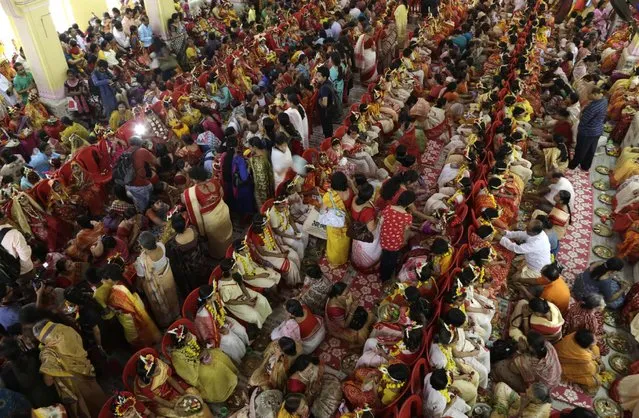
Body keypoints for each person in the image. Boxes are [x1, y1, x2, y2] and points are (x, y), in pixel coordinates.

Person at [32, 320, 108, 418]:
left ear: (39, 337)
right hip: (88, 372)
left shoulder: (48, 353)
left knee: (87, 410)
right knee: (99, 400)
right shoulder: (67, 329)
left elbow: (48, 381)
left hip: (74, 386)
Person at [167, 324, 238, 403]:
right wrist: (198, 359)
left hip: (201, 357)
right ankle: (224, 393)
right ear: (181, 342)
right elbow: (191, 378)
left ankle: (232, 381)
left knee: (219, 355)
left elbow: (198, 347)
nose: (190, 336)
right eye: (187, 336)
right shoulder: (177, 357)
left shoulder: (190, 338)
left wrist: (204, 351)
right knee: (213, 372)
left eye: (188, 334)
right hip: (196, 371)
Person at [182, 165, 233, 258]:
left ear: (195, 179)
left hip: (211, 220)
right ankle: (230, 250)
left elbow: (195, 212)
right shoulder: (215, 181)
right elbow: (222, 195)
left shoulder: (192, 192)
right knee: (226, 234)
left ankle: (220, 256)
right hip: (223, 212)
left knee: (216, 241)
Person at [134, 231, 180, 328]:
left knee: (161, 304)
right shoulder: (161, 246)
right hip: (167, 278)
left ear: (143, 246)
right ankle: (176, 314)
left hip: (156, 285)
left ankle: (167, 322)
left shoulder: (142, 261)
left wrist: (138, 287)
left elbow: (141, 277)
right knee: (172, 296)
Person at [194, 283, 249, 365]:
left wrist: (224, 321)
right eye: (213, 294)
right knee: (229, 340)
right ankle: (238, 360)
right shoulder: (203, 314)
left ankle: (246, 347)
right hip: (214, 334)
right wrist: (222, 330)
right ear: (208, 300)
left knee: (240, 329)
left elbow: (221, 313)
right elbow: (209, 331)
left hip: (221, 321)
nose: (216, 294)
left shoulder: (214, 301)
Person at [492, 331, 562, 393]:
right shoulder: (548, 346)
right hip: (553, 381)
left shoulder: (528, 362)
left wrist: (520, 350)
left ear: (531, 347)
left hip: (536, 390)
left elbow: (512, 367)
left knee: (499, 366)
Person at [218, 258, 272, 328]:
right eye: (235, 266)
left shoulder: (235, 274)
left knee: (262, 299)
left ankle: (263, 318)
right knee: (254, 315)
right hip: (234, 302)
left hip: (241, 292)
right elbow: (228, 301)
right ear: (230, 271)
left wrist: (248, 296)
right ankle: (258, 325)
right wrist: (246, 302)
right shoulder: (223, 287)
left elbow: (241, 284)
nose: (237, 267)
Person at [569, 88, 608, 171]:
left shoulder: (593, 107)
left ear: (594, 94)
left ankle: (572, 165)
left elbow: (583, 120)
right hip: (597, 130)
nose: (587, 96)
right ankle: (585, 166)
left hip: (587, 132)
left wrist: (582, 112)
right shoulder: (604, 100)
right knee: (590, 150)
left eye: (588, 94)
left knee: (581, 150)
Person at [325, 282, 375, 347]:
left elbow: (354, 299)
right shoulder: (335, 310)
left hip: (346, 315)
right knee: (362, 337)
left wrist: (354, 301)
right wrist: (352, 311)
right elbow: (344, 325)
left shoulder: (341, 298)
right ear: (337, 296)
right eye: (346, 294)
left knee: (371, 315)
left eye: (348, 292)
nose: (348, 295)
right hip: (339, 327)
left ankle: (365, 327)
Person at [380, 190, 415, 282]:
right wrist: (404, 240)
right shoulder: (407, 217)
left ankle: (382, 273)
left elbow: (381, 221)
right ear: (409, 203)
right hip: (395, 241)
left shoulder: (388, 208)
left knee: (385, 255)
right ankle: (386, 276)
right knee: (392, 258)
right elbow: (406, 230)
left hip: (384, 237)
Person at [554, 329, 601, 394]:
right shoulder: (584, 357)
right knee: (594, 381)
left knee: (595, 349)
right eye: (594, 340)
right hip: (561, 365)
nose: (596, 340)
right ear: (586, 346)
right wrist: (596, 368)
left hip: (570, 357)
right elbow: (590, 369)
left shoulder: (574, 335)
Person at [322, 172, 352, 267]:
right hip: (346, 221)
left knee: (335, 242)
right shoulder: (350, 191)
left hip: (335, 223)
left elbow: (323, 210)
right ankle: (343, 258)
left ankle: (335, 260)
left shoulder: (329, 196)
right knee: (345, 241)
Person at [350, 183, 382, 270]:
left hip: (356, 229)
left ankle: (356, 259)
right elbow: (371, 228)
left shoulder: (355, 198)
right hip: (364, 234)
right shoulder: (368, 211)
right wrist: (378, 218)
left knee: (356, 247)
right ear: (370, 196)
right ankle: (365, 263)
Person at [315, 66, 336, 138]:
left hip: (325, 113)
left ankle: (328, 143)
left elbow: (324, 104)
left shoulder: (324, 88)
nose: (316, 77)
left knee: (327, 131)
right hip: (330, 111)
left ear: (324, 77)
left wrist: (319, 100)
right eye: (316, 75)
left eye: (319, 76)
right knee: (329, 128)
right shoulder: (328, 83)